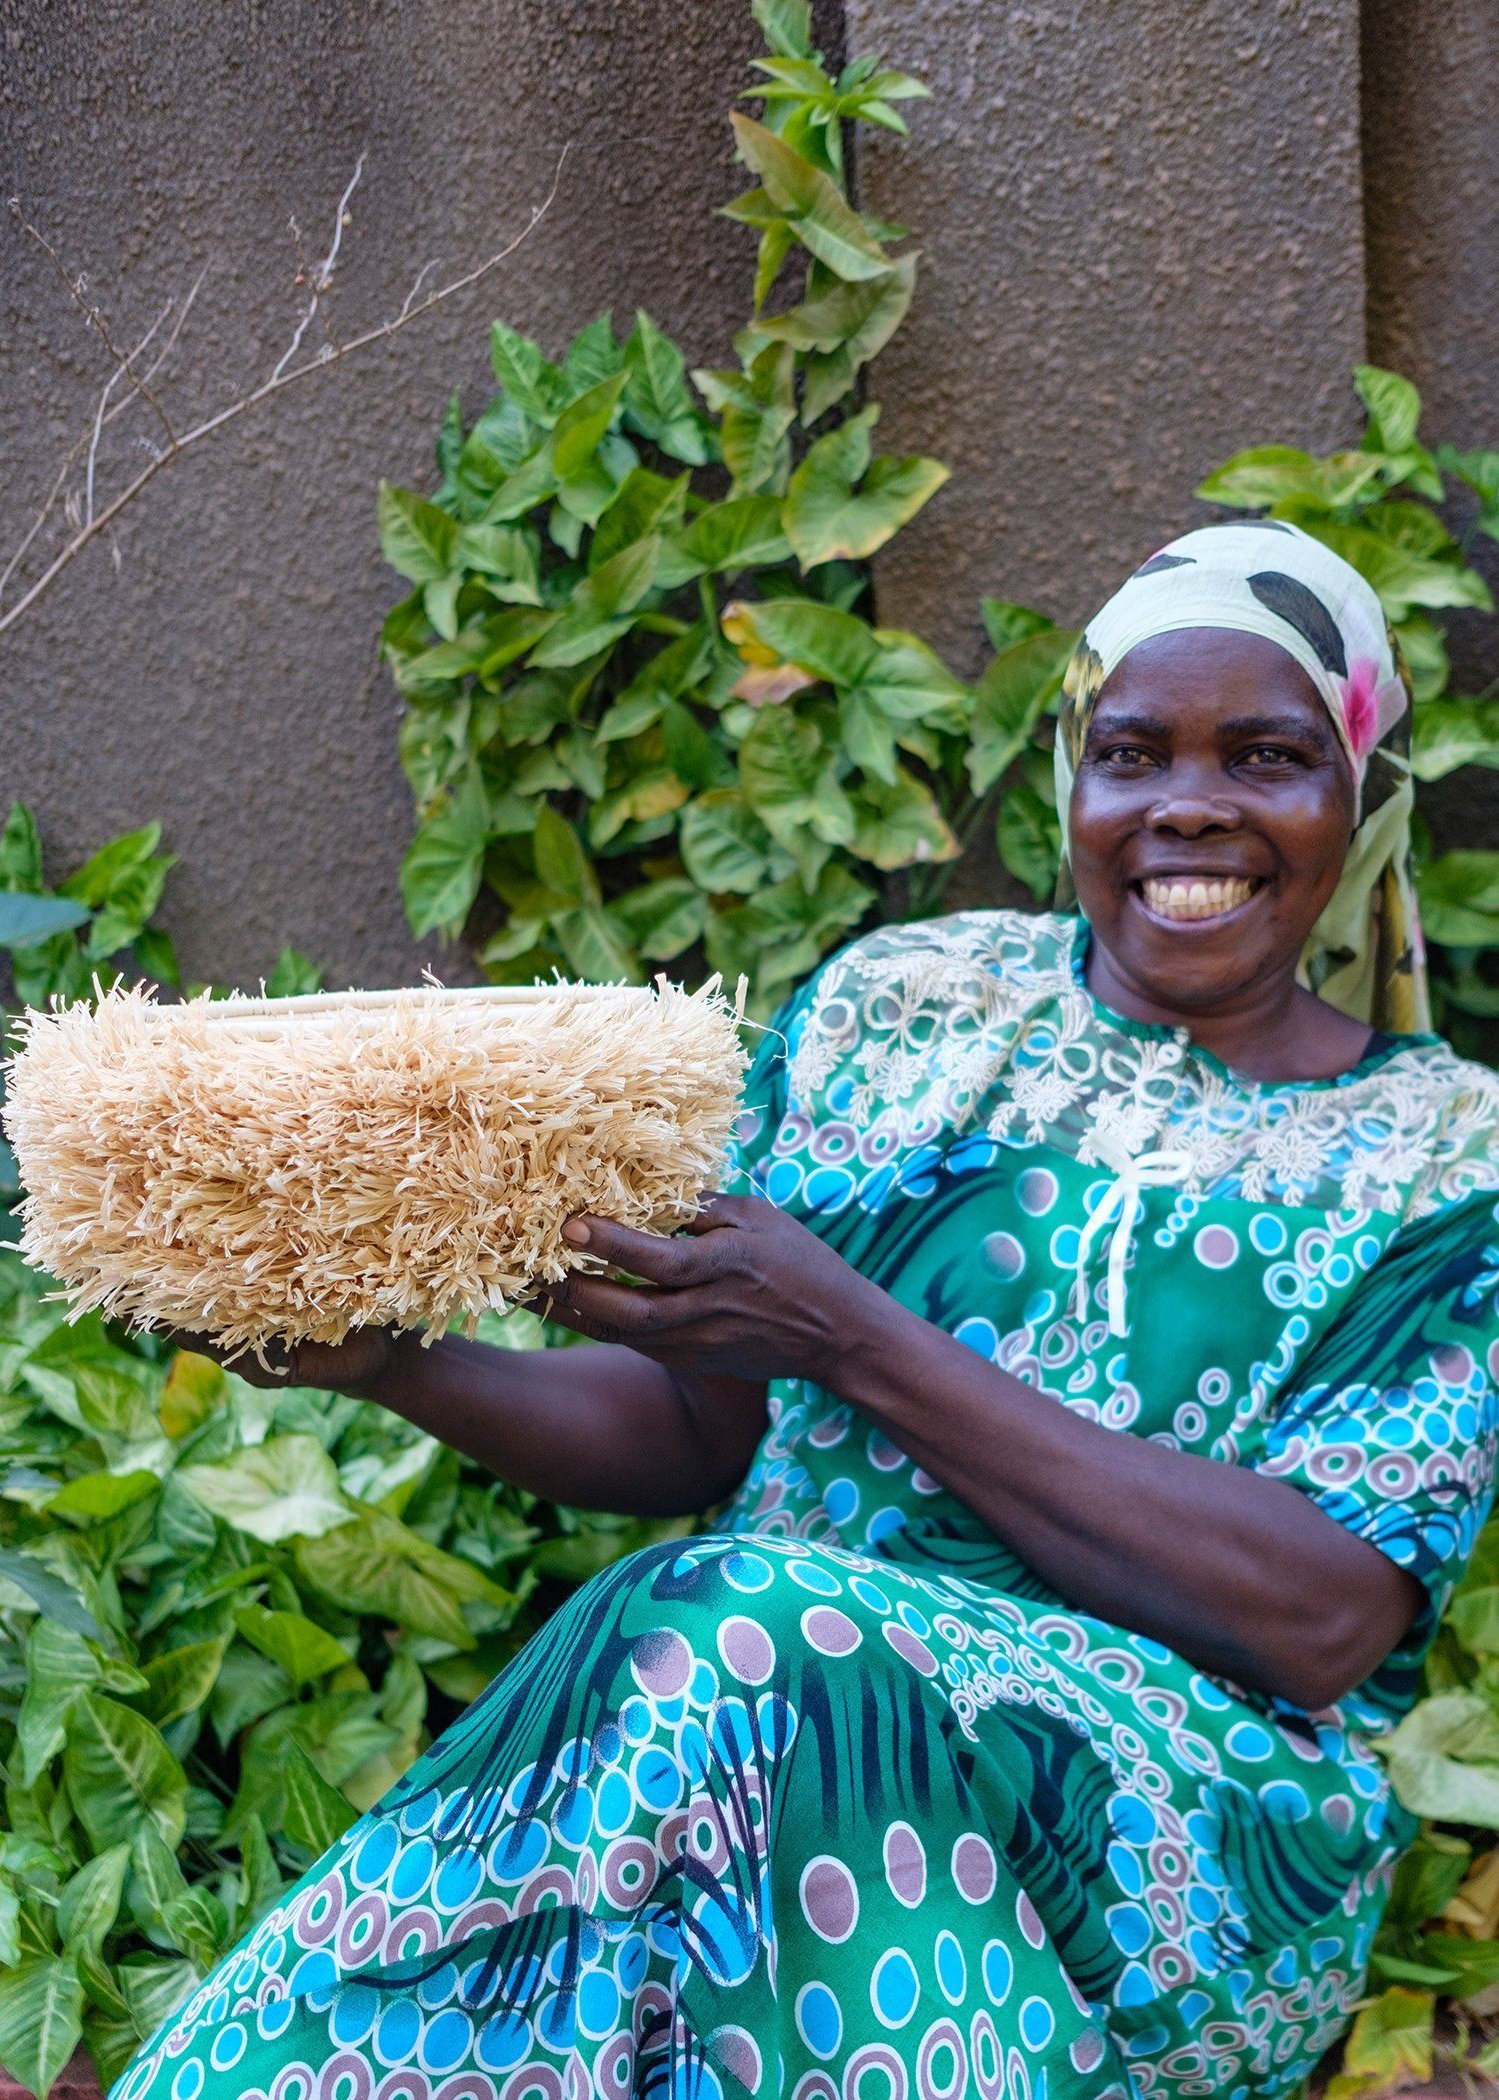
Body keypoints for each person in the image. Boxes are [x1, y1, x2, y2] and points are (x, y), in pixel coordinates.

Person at [116, 523, 1499, 2100]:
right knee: (723, 1626)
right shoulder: (904, 1006)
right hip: (768, 1715)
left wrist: (850, 1333)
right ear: (1073, 786)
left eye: (1266, 757)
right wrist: (401, 1367)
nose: (1189, 804)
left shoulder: (1449, 1162)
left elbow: (1319, 1617)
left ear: (1353, 792)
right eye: (1133, 755)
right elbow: (703, 1427)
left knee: (760, 1630)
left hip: (1189, 1849)